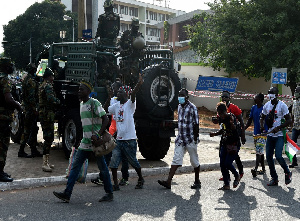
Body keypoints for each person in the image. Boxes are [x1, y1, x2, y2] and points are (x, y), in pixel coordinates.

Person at [53, 80, 113, 203]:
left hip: (96, 144)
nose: (79, 91)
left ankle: (109, 193)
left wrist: (98, 134)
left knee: (103, 168)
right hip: (85, 143)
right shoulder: (81, 105)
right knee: (75, 167)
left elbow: (105, 119)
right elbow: (85, 126)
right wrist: (79, 141)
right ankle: (67, 193)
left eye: (82, 89)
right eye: (78, 89)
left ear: (88, 91)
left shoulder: (94, 103)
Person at [158, 88, 201, 189]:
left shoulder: (192, 108)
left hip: (190, 139)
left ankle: (197, 181)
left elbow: (196, 124)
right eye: (179, 95)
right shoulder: (179, 107)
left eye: (182, 95)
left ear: (187, 97)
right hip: (181, 138)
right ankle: (168, 181)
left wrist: (195, 138)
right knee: (176, 159)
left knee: (194, 161)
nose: (180, 97)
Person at [108, 73, 144, 190]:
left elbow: (133, 94)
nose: (117, 93)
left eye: (120, 92)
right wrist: (109, 97)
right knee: (113, 163)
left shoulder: (130, 104)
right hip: (119, 140)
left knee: (133, 162)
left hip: (130, 140)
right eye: (117, 92)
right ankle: (116, 184)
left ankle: (140, 178)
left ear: (126, 94)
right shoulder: (116, 105)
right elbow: (106, 110)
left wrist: (139, 84)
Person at [91, 80, 130, 186]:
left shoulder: (126, 102)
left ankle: (124, 178)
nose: (113, 90)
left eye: (115, 88)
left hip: (122, 133)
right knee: (107, 154)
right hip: (113, 132)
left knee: (124, 157)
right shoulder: (113, 100)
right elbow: (104, 110)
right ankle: (102, 177)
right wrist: (109, 98)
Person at [260, 87, 292, 186]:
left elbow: (289, 120)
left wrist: (279, 127)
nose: (270, 95)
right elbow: (262, 117)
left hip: (279, 135)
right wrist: (262, 126)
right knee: (268, 157)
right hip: (270, 134)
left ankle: (287, 172)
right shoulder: (267, 105)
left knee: (278, 155)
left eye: (272, 93)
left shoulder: (282, 105)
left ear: (277, 94)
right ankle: (274, 178)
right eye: (269, 93)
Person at [212, 90, 245, 180]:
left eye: (226, 97)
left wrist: (243, 135)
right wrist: (215, 121)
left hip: (234, 135)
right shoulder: (220, 108)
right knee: (222, 155)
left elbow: (241, 122)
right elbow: (220, 122)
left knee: (234, 155)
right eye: (223, 97)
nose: (224, 98)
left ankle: (240, 171)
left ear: (229, 98)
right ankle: (226, 176)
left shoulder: (234, 108)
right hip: (225, 134)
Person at [0, 57, 22, 182]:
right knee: (2, 146)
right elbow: (8, 99)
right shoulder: (4, 80)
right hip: (3, 118)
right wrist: (18, 105)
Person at [210, 102, 241, 190]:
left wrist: (231, 124)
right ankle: (226, 184)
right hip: (225, 142)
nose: (220, 115)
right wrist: (214, 134)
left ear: (225, 111)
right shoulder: (220, 118)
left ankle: (236, 175)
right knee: (222, 164)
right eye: (219, 114)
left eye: (221, 113)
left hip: (234, 144)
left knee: (227, 163)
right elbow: (222, 130)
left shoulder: (231, 117)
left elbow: (234, 129)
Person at [18, 63, 42, 158]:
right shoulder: (31, 81)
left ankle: (33, 150)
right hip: (30, 109)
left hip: (27, 108)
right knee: (28, 130)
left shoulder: (26, 79)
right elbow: (32, 98)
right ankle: (21, 150)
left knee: (33, 129)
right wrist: (35, 109)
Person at [38, 67, 60, 172]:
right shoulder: (48, 86)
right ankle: (44, 163)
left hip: (44, 113)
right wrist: (59, 101)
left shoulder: (42, 85)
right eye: (52, 76)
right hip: (47, 114)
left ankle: (46, 161)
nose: (53, 78)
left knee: (49, 137)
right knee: (49, 137)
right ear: (49, 76)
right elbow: (51, 99)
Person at [245, 93, 267, 177]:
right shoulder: (253, 108)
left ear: (260, 99)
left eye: (256, 98)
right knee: (260, 151)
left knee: (258, 151)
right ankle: (263, 169)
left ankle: (256, 168)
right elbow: (250, 119)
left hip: (263, 133)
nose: (254, 99)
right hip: (256, 133)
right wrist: (244, 128)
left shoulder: (264, 108)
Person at [289, 86, 300, 168]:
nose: (295, 92)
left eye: (297, 91)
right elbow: (292, 114)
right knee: (292, 144)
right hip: (295, 126)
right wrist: (291, 125)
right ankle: (294, 161)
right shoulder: (294, 102)